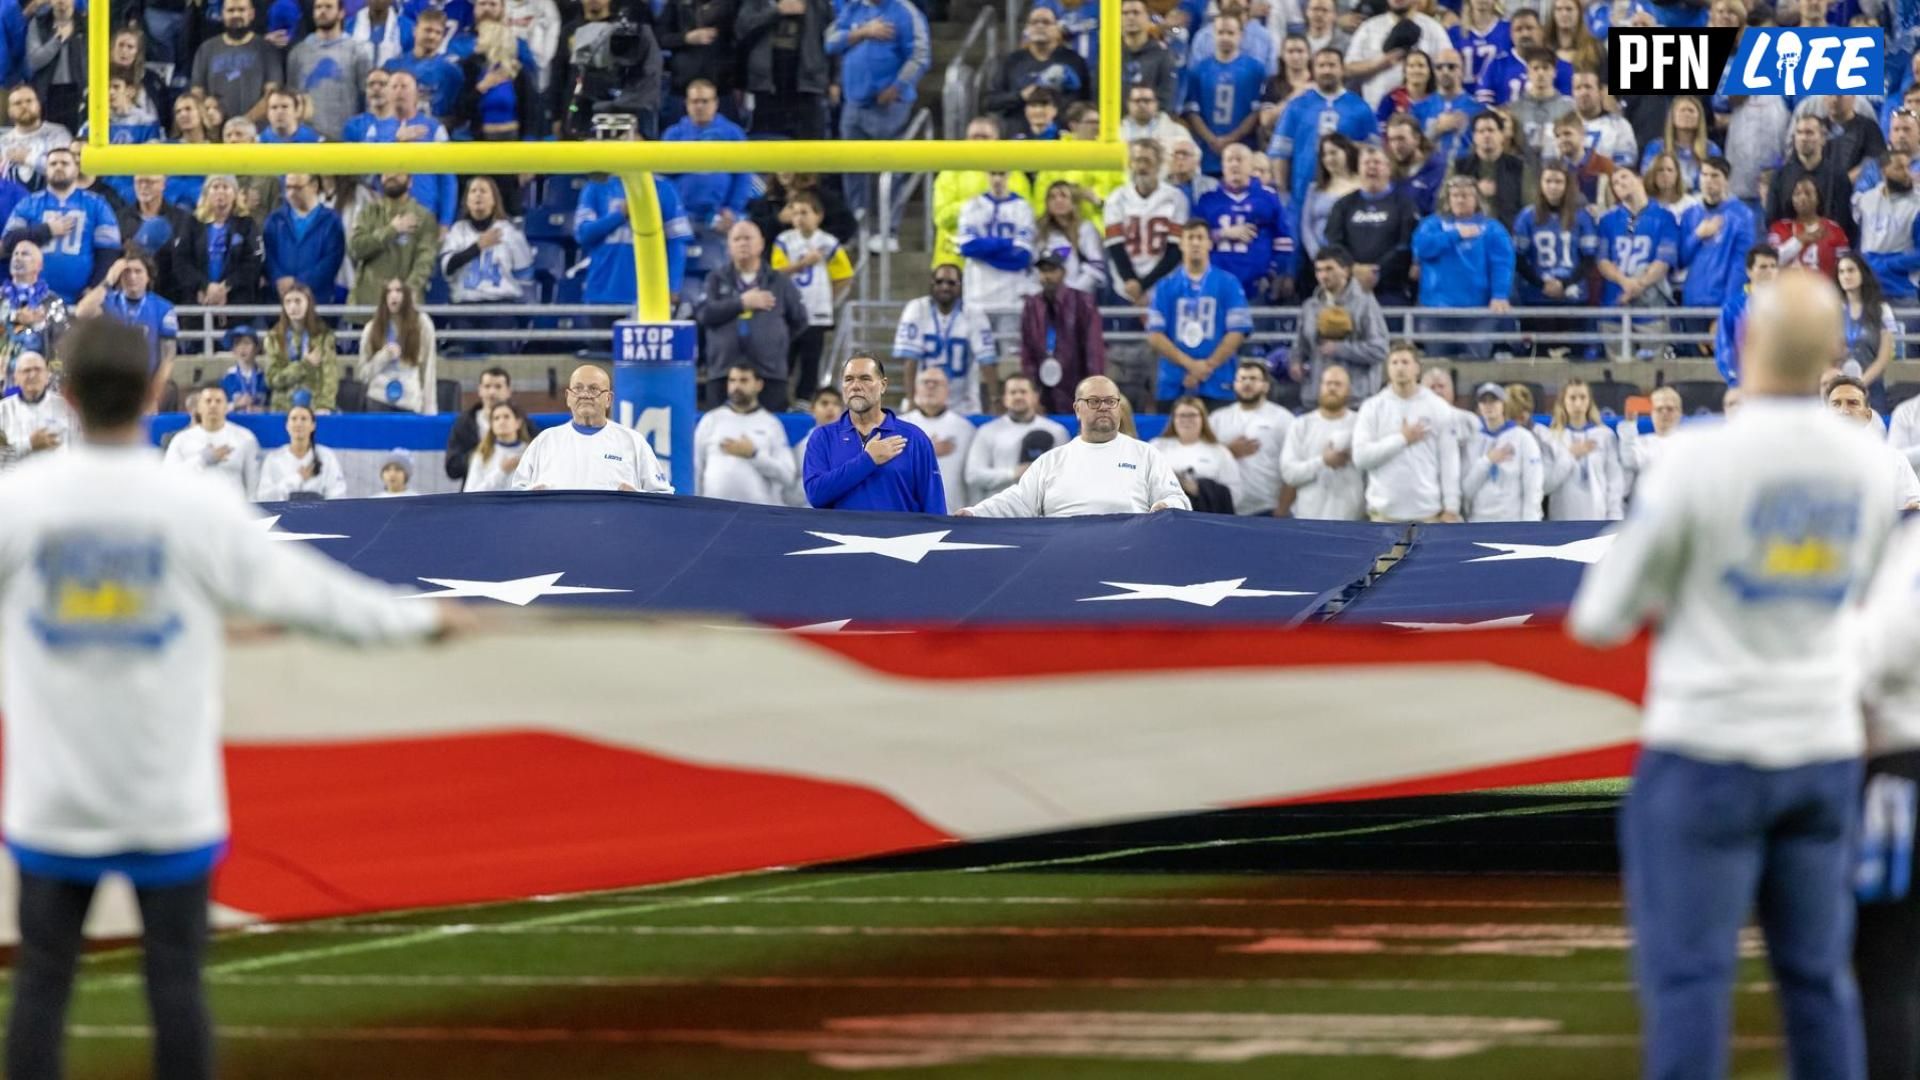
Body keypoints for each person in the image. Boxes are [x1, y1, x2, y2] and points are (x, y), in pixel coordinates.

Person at [0, 317, 466, 1080]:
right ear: (158, 391)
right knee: (176, 986)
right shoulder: (197, 506)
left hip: (54, 800)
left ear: (68, 396)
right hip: (168, 800)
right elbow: (318, 599)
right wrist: (422, 619)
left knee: (43, 989)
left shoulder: (18, 502)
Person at [1569, 269, 1900, 1080]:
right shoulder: (1869, 464)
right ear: (1832, 355)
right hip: (1821, 747)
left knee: (1691, 981)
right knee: (1820, 983)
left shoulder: (1697, 458)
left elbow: (1601, 615)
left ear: (1744, 344)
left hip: (1708, 743)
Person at [960, 375, 1187, 517]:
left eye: (1110, 401)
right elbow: (1017, 501)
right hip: (1064, 560)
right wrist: (974, 513)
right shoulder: (1051, 461)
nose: (1104, 407)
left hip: (1128, 557)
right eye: (1094, 401)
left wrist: (1166, 505)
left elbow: (1178, 499)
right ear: (1077, 409)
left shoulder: (1145, 454)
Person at [802, 354, 944, 513]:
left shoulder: (914, 438)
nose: (855, 386)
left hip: (899, 537)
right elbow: (815, 496)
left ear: (883, 385)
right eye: (849, 379)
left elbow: (934, 507)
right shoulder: (822, 437)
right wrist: (868, 460)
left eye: (865, 379)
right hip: (840, 537)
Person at [695, 220, 809, 413]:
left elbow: (799, 320)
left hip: (769, 373)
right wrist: (742, 303)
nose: (743, 243)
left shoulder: (779, 281)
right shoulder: (715, 279)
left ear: (761, 243)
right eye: (737, 239)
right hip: (723, 372)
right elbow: (704, 314)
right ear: (729, 246)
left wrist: (775, 341)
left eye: (748, 238)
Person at [513, 364, 672, 492]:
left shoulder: (633, 442)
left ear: (609, 399)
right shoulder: (545, 441)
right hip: (557, 530)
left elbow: (663, 496)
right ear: (568, 397)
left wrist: (636, 497)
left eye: (594, 389)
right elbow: (516, 495)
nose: (585, 394)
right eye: (578, 388)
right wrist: (531, 496)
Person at [1146, 219, 1251, 409]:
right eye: (1190, 238)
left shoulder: (1228, 283)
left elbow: (1238, 332)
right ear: (1181, 243)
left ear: (1209, 243)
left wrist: (1207, 367)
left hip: (1218, 382)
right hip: (1174, 383)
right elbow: (1155, 335)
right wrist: (1191, 365)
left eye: (1200, 238)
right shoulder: (1165, 286)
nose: (1195, 243)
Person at [1353, 342, 1463, 523]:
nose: (1399, 368)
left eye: (1405, 362)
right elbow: (1360, 458)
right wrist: (1402, 438)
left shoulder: (1438, 407)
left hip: (1428, 514)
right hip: (1383, 515)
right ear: (1387, 368)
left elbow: (1449, 460)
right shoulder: (1372, 407)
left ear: (1417, 368)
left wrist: (1452, 506)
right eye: (1394, 363)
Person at [1411, 176, 1514, 359]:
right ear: (1448, 199)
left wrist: (1500, 294)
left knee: (1476, 364)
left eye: (1466, 195)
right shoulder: (1432, 224)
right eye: (1455, 195)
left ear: (1477, 199)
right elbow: (1422, 248)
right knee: (1437, 364)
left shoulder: (1492, 229)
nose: (1460, 200)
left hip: (1478, 311)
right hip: (1436, 309)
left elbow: (1502, 263)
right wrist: (1454, 235)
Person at [3, 146, 121, 305]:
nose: (58, 167)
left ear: (77, 168)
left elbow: (109, 252)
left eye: (64, 163)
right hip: (32, 301)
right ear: (46, 169)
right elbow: (9, 240)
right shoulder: (28, 203)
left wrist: (93, 287)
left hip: (80, 302)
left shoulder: (97, 204)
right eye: (53, 164)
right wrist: (47, 230)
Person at [768, 191, 854, 400]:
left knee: (811, 361)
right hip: (788, 312)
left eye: (804, 212)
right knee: (784, 359)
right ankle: (779, 400)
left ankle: (805, 401)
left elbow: (844, 276)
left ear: (818, 215)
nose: (799, 218)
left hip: (816, 314)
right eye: (795, 213)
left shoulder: (828, 242)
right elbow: (775, 273)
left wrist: (828, 298)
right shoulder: (784, 240)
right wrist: (803, 263)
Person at [439, 176, 533, 351]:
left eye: (483, 191)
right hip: (465, 307)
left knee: (499, 351)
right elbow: (447, 266)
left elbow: (524, 273)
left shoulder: (509, 231)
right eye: (473, 191)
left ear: (494, 200)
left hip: (499, 307)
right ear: (466, 201)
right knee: (462, 354)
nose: (478, 196)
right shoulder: (458, 231)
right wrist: (477, 247)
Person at [1512, 163, 1597, 356]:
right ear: (1540, 184)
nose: (1553, 186)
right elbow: (1519, 258)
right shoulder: (1527, 216)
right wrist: (1542, 284)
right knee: (1539, 358)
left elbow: (1589, 259)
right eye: (1548, 181)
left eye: (1558, 181)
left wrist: (1565, 283)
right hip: (1536, 298)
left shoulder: (1581, 217)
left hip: (1573, 297)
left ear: (1568, 185)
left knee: (1574, 358)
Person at [894, 264, 998, 417]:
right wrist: (911, 399)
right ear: (932, 283)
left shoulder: (974, 314)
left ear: (961, 286)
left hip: (964, 403)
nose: (945, 287)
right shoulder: (917, 308)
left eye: (951, 283)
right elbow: (910, 359)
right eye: (940, 281)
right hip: (925, 401)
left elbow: (987, 361)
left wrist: (995, 400)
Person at [1195, 143, 1291, 304]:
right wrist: (1223, 233)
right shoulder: (1208, 200)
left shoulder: (1267, 197)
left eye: (1239, 159)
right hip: (1215, 285)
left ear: (1250, 166)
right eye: (1229, 160)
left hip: (1256, 285)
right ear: (1222, 166)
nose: (1234, 164)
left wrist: (1271, 274)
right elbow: (1192, 238)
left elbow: (1284, 241)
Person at [1325, 143, 1418, 306]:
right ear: (1358, 169)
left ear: (1389, 168)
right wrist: (1353, 269)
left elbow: (1406, 244)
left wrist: (1377, 271)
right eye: (1366, 163)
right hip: (1349, 287)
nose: (1371, 167)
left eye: (1377, 163)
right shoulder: (1343, 205)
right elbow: (1334, 243)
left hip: (1392, 289)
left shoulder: (1405, 205)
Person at [693, 364, 798, 506]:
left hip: (758, 515)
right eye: (732, 380)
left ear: (758, 385)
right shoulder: (711, 420)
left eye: (743, 380)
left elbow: (788, 476)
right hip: (713, 512)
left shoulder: (771, 424)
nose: (736, 386)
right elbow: (695, 468)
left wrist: (754, 455)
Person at [1290, 245, 1387, 398]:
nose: (1323, 275)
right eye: (1319, 270)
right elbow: (1300, 346)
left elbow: (1379, 349)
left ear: (1346, 271)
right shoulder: (1310, 306)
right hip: (1317, 397)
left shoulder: (1365, 304)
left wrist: (1340, 349)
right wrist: (1296, 362)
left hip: (1356, 398)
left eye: (1329, 269)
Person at [1104, 139, 1189, 306]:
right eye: (1137, 160)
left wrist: (1143, 285)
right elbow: (1115, 246)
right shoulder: (1116, 198)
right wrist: (1131, 282)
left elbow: (1175, 250)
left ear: (1159, 164)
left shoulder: (1176, 198)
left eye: (1147, 161)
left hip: (1164, 284)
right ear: (1130, 164)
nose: (1142, 167)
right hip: (1125, 287)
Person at [964, 373, 1069, 504]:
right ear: (1005, 399)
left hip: (1040, 514)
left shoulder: (1056, 431)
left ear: (1035, 397)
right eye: (1013, 392)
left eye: (1023, 392)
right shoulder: (987, 431)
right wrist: (1012, 473)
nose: (1018, 396)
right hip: (998, 512)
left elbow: (1066, 476)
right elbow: (973, 476)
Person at [1019, 253, 1103, 415]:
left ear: (1063, 272)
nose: (1047, 276)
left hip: (1075, 379)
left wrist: (1093, 391)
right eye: (1043, 271)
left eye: (1052, 270)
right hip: (1042, 384)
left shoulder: (1082, 302)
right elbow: (1026, 350)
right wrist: (1031, 392)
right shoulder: (1032, 305)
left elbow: (1094, 349)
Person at [1280, 363, 1364, 520]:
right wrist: (1323, 461)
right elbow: (1289, 474)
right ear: (1320, 387)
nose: (1332, 388)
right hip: (1308, 518)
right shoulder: (1301, 425)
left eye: (1338, 384)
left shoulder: (1361, 424)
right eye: (1328, 383)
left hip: (1353, 519)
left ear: (1349, 390)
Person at [83, 256, 177, 395]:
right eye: (126, 272)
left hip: (146, 383)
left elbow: (168, 358)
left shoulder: (163, 308)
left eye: (138, 271)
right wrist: (108, 280)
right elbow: (82, 313)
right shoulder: (108, 301)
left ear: (148, 277)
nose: (132, 276)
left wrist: (154, 395)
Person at [1827, 374, 1920, 511]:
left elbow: (1912, 507)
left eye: (1853, 403)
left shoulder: (1894, 460)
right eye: (1836, 404)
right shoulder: (1809, 461)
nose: (1844, 411)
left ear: (1868, 415)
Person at [1539, 379, 1625, 521]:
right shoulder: (1552, 438)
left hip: (1598, 517)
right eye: (1572, 398)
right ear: (1563, 402)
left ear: (1589, 401)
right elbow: (1546, 485)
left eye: (1583, 397)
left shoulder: (1605, 435)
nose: (1578, 403)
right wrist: (1570, 455)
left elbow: (1615, 481)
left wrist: (1615, 517)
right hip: (1562, 518)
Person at [286, 0, 371, 142]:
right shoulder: (298, 53)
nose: (322, 11)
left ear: (341, 13)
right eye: (318, 7)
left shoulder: (357, 51)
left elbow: (366, 97)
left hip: (345, 138)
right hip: (307, 139)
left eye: (328, 6)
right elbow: (293, 98)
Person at [348, 173, 439, 305]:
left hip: (406, 308)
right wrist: (392, 230)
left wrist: (405, 292)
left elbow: (425, 262)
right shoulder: (369, 212)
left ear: (410, 182)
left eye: (398, 171)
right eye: (387, 172)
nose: (391, 175)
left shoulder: (424, 217)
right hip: (367, 306)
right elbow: (355, 249)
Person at [190, 0, 285, 124]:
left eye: (241, 10)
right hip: (217, 133)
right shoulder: (206, 49)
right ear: (222, 14)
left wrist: (243, 123)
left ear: (251, 14)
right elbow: (197, 94)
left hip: (257, 133)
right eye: (230, 10)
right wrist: (210, 121)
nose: (236, 15)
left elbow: (272, 94)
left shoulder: (266, 49)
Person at [1461, 382, 1543, 522]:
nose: (1489, 405)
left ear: (1503, 404)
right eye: (1484, 401)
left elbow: (1533, 485)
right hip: (1478, 522)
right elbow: (1467, 490)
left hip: (1511, 522)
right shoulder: (1472, 440)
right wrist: (1487, 461)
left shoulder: (1523, 438)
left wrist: (1530, 524)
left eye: (1494, 400)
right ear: (1478, 406)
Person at [162, 382, 260, 498]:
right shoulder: (181, 440)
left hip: (233, 511)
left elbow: (254, 488)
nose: (213, 405)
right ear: (198, 408)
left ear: (226, 407)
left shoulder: (245, 438)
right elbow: (167, 480)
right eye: (208, 401)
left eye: (218, 401)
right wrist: (202, 460)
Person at [956, 171, 1037, 310]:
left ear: (1009, 175)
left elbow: (1022, 257)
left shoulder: (1023, 208)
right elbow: (967, 247)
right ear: (986, 175)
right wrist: (1007, 243)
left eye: (1002, 174)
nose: (997, 179)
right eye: (993, 174)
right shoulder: (971, 206)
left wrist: (983, 251)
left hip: (1012, 298)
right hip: (977, 297)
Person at [898, 366, 976, 512]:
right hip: (907, 515)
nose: (931, 387)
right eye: (925, 382)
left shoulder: (965, 428)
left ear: (948, 390)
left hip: (953, 513)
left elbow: (972, 476)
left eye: (936, 383)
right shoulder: (898, 426)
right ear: (916, 389)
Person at [358, 277, 438, 414]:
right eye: (388, 292)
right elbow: (363, 374)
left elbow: (429, 369)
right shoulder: (372, 328)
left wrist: (430, 409)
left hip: (410, 401)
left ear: (407, 294)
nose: (393, 295)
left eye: (398, 291)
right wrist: (383, 357)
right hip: (378, 400)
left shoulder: (422, 323)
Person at [1152, 394, 1243, 514]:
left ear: (1203, 419)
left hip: (1204, 518)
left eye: (1192, 415)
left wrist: (1200, 489)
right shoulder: (1156, 446)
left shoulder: (1219, 452)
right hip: (1163, 516)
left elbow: (1235, 493)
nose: (1186, 420)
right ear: (1173, 419)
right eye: (1181, 415)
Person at [263, 173, 346, 302]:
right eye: (288, 187)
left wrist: (298, 282)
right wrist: (278, 279)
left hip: (318, 304)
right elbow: (267, 256)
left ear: (314, 186)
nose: (291, 193)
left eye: (297, 188)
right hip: (278, 302)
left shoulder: (331, 221)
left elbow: (331, 261)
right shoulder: (274, 220)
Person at [445, 367, 532, 483]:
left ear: (508, 391)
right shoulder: (464, 423)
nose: (492, 392)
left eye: (498, 387)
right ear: (479, 390)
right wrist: (483, 457)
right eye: (487, 386)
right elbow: (452, 467)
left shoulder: (524, 422)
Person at [1837, 253, 1899, 411]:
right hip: (1839, 389)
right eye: (1841, 272)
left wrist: (1859, 385)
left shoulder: (1882, 310)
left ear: (1862, 274)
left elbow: (1884, 358)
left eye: (1851, 270)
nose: (1846, 276)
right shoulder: (1834, 310)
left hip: (1872, 389)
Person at [264, 284, 339, 413]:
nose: (293, 307)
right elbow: (272, 379)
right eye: (288, 302)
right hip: (282, 408)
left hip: (315, 408)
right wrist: (304, 365)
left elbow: (330, 377)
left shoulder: (323, 336)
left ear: (308, 303)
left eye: (298, 301)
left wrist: (325, 405)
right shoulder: (274, 338)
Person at [1716, 245, 1781, 386]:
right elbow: (1725, 347)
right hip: (1746, 386)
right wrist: (1735, 381)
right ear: (1749, 271)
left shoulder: (1789, 306)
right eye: (1763, 267)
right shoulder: (1733, 307)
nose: (1769, 271)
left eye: (1773, 266)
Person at [256, 404, 348, 501]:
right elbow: (263, 498)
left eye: (304, 419)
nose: (298, 423)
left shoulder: (327, 457)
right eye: (294, 419)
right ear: (287, 425)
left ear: (313, 425)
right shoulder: (273, 459)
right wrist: (297, 478)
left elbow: (338, 495)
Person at [1771, 174, 1850, 277]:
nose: (1802, 198)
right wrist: (1799, 241)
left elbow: (1845, 265)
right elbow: (1772, 263)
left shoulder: (1834, 230)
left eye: (1808, 193)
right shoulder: (1779, 228)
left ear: (1818, 198)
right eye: (1797, 194)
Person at [0, 349, 67, 468]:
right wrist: (28, 445)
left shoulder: (66, 408)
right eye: (26, 371)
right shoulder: (3, 410)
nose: (32, 375)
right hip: (15, 482)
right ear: (16, 378)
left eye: (38, 369)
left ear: (47, 376)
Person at [0, 86, 72, 191]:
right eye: (18, 103)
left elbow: (67, 170)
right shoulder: (3, 142)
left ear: (38, 105)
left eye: (29, 101)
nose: (24, 106)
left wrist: (28, 158)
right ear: (9, 111)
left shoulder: (58, 134)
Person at [463, 401, 533, 494]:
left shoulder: (531, 451)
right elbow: (470, 493)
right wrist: (502, 471)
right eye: (496, 418)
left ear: (518, 422)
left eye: (506, 417)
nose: (501, 421)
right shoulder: (483, 454)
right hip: (491, 507)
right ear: (491, 425)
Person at [788, 387, 844, 506]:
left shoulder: (852, 443)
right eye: (824, 403)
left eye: (835, 404)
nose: (830, 408)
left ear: (842, 411)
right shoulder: (802, 446)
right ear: (812, 409)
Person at [218, 325, 268, 413]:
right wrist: (235, 405)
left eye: (247, 343)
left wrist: (264, 410)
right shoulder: (227, 378)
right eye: (237, 344)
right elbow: (218, 409)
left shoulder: (266, 377)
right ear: (233, 349)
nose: (242, 348)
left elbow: (276, 407)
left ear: (256, 348)